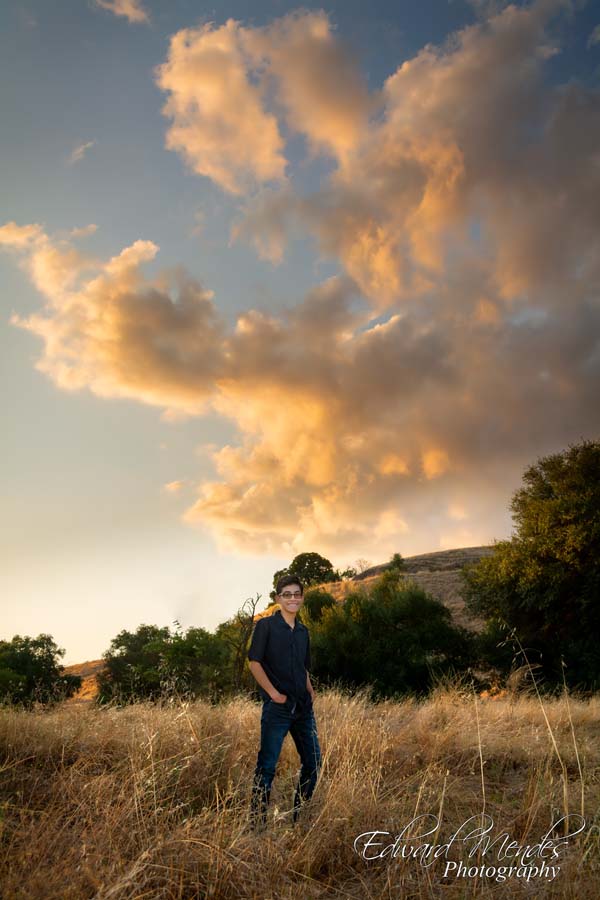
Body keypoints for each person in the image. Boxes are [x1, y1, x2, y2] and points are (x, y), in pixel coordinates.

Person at [247, 574, 322, 830]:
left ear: (302, 597)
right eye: (287, 594)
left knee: (313, 763)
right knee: (267, 767)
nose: (292, 599)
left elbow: (303, 666)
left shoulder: (303, 632)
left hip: (303, 709)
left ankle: (299, 818)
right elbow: (254, 663)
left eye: (296, 594)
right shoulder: (266, 626)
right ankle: (257, 826)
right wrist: (273, 693)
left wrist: (310, 690)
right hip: (277, 709)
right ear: (278, 598)